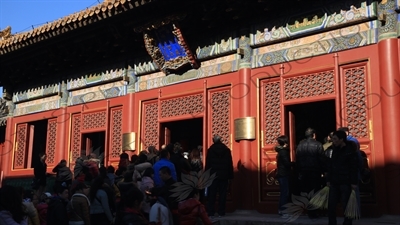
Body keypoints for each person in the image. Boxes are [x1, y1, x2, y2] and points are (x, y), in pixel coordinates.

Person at [326, 130, 359, 225]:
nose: (333, 141)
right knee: (331, 205)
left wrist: (353, 182)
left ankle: (347, 223)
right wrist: (328, 179)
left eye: (335, 139)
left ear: (341, 139)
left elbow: (353, 167)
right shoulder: (334, 150)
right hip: (334, 181)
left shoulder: (350, 151)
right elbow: (330, 166)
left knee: (346, 205)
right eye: (333, 139)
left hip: (346, 181)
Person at [295, 128, 325, 219]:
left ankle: (307, 210)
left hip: (303, 171)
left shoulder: (300, 145)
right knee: (315, 191)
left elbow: (298, 159)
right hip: (315, 171)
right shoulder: (318, 144)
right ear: (314, 135)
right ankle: (313, 212)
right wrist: (324, 171)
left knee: (307, 191)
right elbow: (322, 159)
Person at [205, 135, 234, 218]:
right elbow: (229, 164)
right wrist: (230, 176)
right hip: (224, 175)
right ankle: (221, 212)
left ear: (213, 141)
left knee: (212, 194)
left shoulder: (210, 150)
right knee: (222, 194)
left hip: (213, 175)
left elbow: (208, 164)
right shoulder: (226, 150)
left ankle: (211, 212)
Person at [275, 135, 293, 218]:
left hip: (281, 173)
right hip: (284, 174)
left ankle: (281, 210)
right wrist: (294, 163)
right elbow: (287, 164)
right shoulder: (284, 152)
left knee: (283, 192)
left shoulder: (280, 151)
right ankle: (283, 211)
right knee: (285, 193)